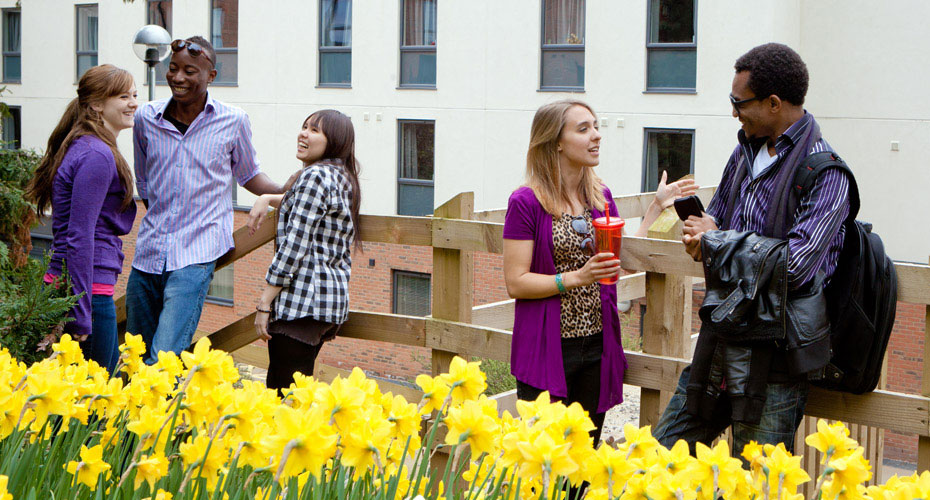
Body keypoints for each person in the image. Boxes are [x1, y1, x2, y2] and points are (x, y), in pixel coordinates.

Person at [654, 43, 851, 454]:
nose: (733, 112)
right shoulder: (743, 153)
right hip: (719, 344)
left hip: (775, 364)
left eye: (738, 102)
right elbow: (718, 226)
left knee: (757, 486)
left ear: (774, 103)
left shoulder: (827, 172)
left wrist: (715, 242)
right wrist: (701, 240)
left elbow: (794, 268)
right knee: (657, 462)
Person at [502, 100, 698, 444]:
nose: (596, 136)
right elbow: (515, 282)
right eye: (583, 129)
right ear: (555, 141)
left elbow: (615, 263)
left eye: (595, 127)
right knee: (545, 460)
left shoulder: (600, 196)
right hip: (548, 348)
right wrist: (577, 277)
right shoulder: (526, 202)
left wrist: (654, 208)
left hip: (596, 345)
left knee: (586, 455)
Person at [128, 37, 294, 365]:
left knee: (163, 359)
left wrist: (285, 195)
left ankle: (162, 415)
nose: (178, 77)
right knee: (133, 354)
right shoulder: (146, 117)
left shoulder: (233, 120)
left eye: (190, 71)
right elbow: (144, 181)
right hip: (148, 251)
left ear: (211, 76)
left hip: (197, 251)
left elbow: (249, 175)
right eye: (173, 69)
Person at [25, 64, 138, 373]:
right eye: (123, 96)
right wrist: (81, 310)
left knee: (74, 395)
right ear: (96, 104)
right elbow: (79, 236)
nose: (133, 103)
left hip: (74, 286)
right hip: (87, 289)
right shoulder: (96, 154)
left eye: (134, 95)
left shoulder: (87, 146)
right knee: (96, 399)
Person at [249, 110, 361, 392]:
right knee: (296, 393)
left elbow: (295, 245)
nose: (303, 134)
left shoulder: (314, 176)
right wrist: (268, 196)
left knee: (283, 395)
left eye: (314, 131)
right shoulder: (343, 176)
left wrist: (264, 303)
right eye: (304, 127)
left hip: (301, 303)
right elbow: (307, 205)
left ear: (333, 141)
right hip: (326, 304)